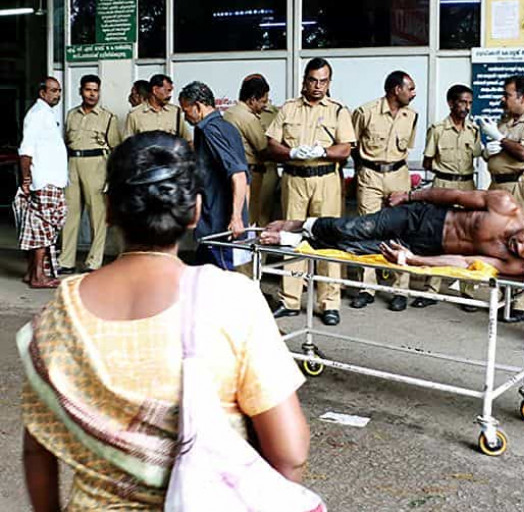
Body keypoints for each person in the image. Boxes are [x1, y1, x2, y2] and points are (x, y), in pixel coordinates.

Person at [18, 132, 310, 510]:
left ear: (108, 209)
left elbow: (37, 451)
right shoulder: (230, 299)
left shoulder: (61, 311)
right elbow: (290, 454)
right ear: (195, 211)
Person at [259, 188, 524, 277]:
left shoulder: (515, 265)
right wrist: (409, 196)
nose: (518, 247)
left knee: (356, 250)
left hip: (428, 246)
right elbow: (453, 196)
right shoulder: (504, 204)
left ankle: (296, 238)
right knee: (352, 228)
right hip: (424, 216)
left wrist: (413, 259)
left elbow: (464, 262)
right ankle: (299, 224)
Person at [266, 57, 356, 326]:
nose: (318, 86)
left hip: (326, 179)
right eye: (313, 80)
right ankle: (290, 300)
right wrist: (291, 152)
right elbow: (272, 144)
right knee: (290, 238)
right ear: (304, 81)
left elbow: (346, 148)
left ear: (329, 83)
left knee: (328, 238)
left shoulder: (338, 111)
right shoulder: (288, 109)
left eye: (323, 81)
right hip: (294, 179)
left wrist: (323, 151)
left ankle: (329, 303)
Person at [479, 75, 524, 322]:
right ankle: (503, 297)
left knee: (523, 244)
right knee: (499, 242)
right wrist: (487, 152)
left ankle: (520, 304)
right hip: (498, 186)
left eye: (507, 94)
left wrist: (499, 138)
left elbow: (523, 152)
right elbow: (498, 151)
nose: (503, 99)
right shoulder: (506, 120)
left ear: (523, 97)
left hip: (520, 187)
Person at [350, 70, 419, 312]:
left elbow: (408, 148)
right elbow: (353, 146)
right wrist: (362, 172)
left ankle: (400, 290)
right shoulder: (365, 112)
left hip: (398, 175)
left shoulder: (411, 116)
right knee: (366, 229)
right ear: (396, 90)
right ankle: (366, 288)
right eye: (410, 88)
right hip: (370, 175)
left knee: (400, 230)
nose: (414, 93)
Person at [412, 84, 481, 311]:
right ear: (451, 103)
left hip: (467, 186)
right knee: (437, 236)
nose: (466, 107)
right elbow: (427, 161)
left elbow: (479, 155)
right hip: (443, 184)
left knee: (468, 238)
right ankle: (431, 290)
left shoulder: (474, 130)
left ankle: (468, 292)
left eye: (469, 103)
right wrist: (445, 173)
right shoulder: (438, 129)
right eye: (462, 102)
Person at [179, 81, 248, 270]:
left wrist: (236, 218)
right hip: (211, 223)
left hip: (219, 226)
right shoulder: (226, 127)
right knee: (202, 275)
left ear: (198, 106)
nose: (185, 117)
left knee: (221, 276)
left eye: (186, 111)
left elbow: (239, 175)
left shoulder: (211, 131)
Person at [60, 74, 122, 274]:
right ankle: (66, 261)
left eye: (96, 90)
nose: (92, 94)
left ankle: (94, 261)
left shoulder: (108, 117)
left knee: (97, 215)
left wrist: (111, 178)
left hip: (96, 166)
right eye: (88, 90)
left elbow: (115, 148)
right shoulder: (71, 115)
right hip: (72, 164)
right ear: (81, 91)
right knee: (70, 214)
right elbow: (65, 142)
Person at [15, 77, 68, 288]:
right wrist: (26, 180)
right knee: (43, 229)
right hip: (44, 181)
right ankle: (38, 276)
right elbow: (26, 151)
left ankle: (32, 273)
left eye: (59, 91)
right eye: (53, 90)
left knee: (43, 226)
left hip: (51, 181)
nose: (57, 94)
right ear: (42, 93)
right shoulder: (37, 114)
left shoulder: (47, 113)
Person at [223, 74, 280, 229]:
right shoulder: (248, 118)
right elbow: (263, 149)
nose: (264, 105)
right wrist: (288, 154)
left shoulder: (229, 113)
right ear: (253, 99)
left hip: (232, 173)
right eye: (263, 101)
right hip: (250, 174)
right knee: (251, 218)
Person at [124, 74, 191, 142]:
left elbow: (188, 140)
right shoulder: (134, 115)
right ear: (155, 90)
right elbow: (127, 145)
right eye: (167, 90)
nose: (169, 95)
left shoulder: (175, 112)